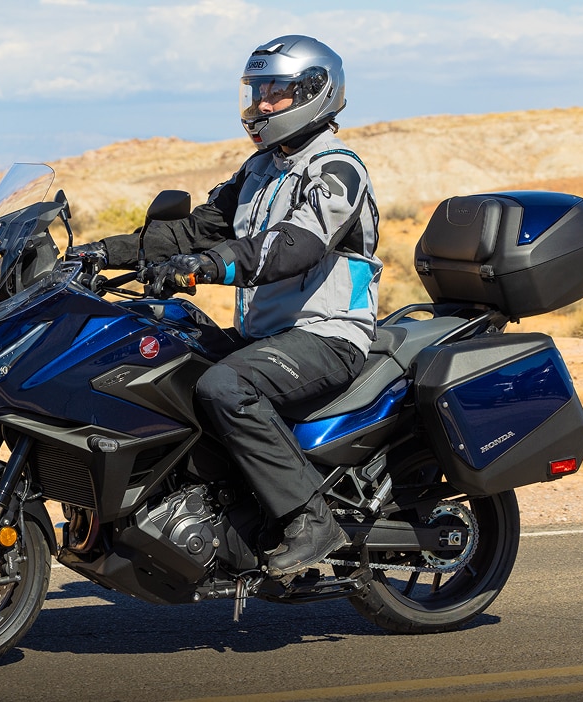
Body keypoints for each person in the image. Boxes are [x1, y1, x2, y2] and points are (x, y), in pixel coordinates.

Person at [68, 35, 382, 576]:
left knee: (225, 386)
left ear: (314, 93)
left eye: (275, 93)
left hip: (328, 336)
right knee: (166, 355)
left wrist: (208, 266)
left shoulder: (336, 171)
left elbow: (294, 245)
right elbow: (193, 230)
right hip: (269, 336)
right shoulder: (259, 170)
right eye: (257, 91)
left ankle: (310, 518)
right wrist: (97, 252)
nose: (261, 104)